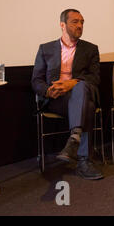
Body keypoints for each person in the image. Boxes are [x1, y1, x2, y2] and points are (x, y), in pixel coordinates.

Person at [31, 9, 103, 180]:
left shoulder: (90, 49)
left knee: (83, 91)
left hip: (81, 97)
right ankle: (84, 159)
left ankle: (76, 141)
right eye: (75, 22)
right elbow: (36, 80)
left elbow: (95, 78)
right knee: (88, 107)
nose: (80, 25)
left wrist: (73, 83)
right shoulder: (45, 49)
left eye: (82, 22)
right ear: (62, 25)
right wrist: (49, 91)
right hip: (56, 100)